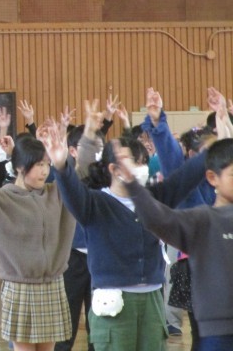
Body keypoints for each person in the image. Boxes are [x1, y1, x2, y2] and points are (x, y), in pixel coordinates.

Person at [45, 100, 212, 351]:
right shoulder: (95, 203)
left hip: (153, 300)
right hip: (113, 302)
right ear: (113, 168)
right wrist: (60, 166)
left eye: (143, 161)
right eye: (134, 161)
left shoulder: (154, 197)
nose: (141, 167)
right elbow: (71, 192)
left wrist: (216, 142)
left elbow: (187, 174)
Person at [0, 117, 76, 351]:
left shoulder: (56, 194)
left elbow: (80, 180)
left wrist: (66, 157)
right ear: (19, 166)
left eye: (47, 164)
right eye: (38, 164)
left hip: (53, 284)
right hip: (20, 287)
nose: (44, 171)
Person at [114, 136, 233, 350]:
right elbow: (158, 219)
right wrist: (133, 186)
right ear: (212, 177)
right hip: (217, 332)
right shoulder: (203, 219)